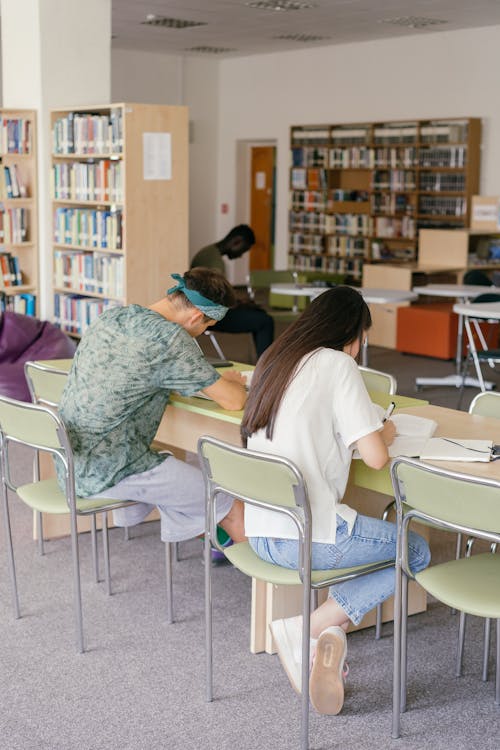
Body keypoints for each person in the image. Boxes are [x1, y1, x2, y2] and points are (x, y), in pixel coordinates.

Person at [240, 286, 430, 716]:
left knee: (369, 535)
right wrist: (386, 430)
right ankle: (314, 625)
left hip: (264, 531)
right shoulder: (339, 364)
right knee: (413, 550)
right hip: (307, 537)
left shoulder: (276, 358)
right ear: (354, 335)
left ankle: (333, 631)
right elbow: (378, 458)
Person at [58, 268, 248, 544]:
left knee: (176, 469)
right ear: (196, 317)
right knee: (230, 503)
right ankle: (259, 573)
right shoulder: (170, 338)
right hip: (112, 470)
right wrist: (233, 382)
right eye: (206, 327)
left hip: (72, 461)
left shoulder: (113, 316)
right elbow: (233, 401)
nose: (202, 333)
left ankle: (210, 530)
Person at [190, 224, 274, 358]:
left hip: (201, 310)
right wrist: (238, 304)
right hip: (210, 316)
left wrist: (238, 302)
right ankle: (266, 367)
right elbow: (217, 297)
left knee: (257, 313)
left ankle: (262, 361)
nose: (240, 255)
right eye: (243, 250)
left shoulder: (207, 252)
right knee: (265, 321)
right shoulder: (215, 262)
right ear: (237, 242)